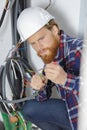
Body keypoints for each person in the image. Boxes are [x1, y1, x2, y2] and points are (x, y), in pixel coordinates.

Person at [17, 7, 83, 130]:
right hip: (74, 113)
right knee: (30, 109)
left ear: (54, 30)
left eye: (41, 39)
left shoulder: (79, 50)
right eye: (33, 44)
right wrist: (41, 88)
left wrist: (65, 79)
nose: (39, 48)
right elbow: (42, 98)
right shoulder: (51, 55)